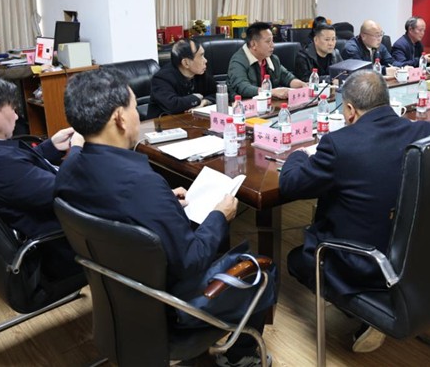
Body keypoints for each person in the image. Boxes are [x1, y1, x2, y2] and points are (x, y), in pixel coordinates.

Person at [55, 68, 277, 367]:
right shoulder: (142, 185)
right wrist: (219, 215)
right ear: (119, 118)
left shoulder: (70, 167)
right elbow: (191, 261)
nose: (137, 115)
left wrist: (161, 203)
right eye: (134, 107)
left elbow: (111, 207)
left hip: (120, 295)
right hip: (170, 307)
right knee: (261, 269)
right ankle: (241, 357)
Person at [279, 70, 430, 354]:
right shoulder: (423, 131)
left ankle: (367, 312)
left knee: (295, 259)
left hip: (361, 264)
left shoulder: (339, 144)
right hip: (410, 254)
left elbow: (290, 184)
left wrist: (297, 155)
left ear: (350, 110)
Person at [0, 77, 84, 278]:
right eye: (13, 109)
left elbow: (18, 176)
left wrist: (51, 147)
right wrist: (77, 149)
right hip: (62, 246)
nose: (17, 116)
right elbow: (69, 191)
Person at [227, 22, 306, 100]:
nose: (272, 45)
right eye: (268, 41)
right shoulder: (238, 61)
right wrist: (270, 92)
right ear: (253, 44)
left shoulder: (272, 59)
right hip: (245, 105)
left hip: (269, 104)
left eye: (272, 41)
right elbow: (242, 87)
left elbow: (286, 77)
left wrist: (302, 84)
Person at [148, 38, 216, 118]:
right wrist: (196, 98)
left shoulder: (200, 73)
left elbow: (220, 92)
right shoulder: (162, 78)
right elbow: (173, 105)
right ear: (186, 63)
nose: (205, 60)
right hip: (165, 123)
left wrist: (205, 101)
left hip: (191, 120)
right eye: (201, 56)